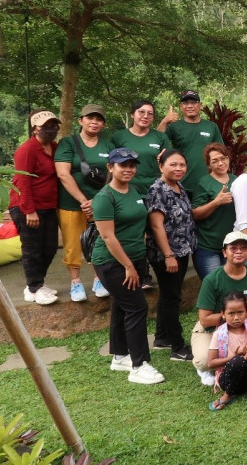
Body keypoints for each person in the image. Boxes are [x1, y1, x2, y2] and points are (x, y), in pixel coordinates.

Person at [91, 147, 163, 384]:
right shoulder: (104, 198)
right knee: (137, 308)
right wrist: (128, 267)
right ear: (110, 167)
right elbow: (108, 237)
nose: (129, 169)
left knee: (121, 306)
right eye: (123, 165)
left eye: (132, 165)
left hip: (136, 259)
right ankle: (139, 365)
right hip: (113, 263)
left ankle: (120, 356)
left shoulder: (134, 191)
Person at [191, 231, 247, 387]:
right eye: (233, 248)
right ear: (224, 252)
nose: (239, 252)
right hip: (212, 329)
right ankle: (206, 369)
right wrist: (240, 315)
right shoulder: (212, 279)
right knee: (205, 361)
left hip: (245, 327)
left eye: (243, 248)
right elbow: (204, 319)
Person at [54, 104, 111, 301]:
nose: (94, 122)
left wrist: (97, 200)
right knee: (73, 243)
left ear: (103, 124)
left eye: (99, 119)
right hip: (71, 203)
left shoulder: (107, 145)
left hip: (100, 202)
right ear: (81, 120)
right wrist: (84, 201)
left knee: (99, 240)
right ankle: (75, 282)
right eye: (90, 118)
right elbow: (63, 173)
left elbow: (113, 173)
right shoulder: (67, 143)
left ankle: (98, 278)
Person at [145, 149, 196, 362]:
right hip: (166, 254)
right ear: (161, 166)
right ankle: (177, 346)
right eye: (173, 164)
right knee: (172, 298)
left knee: (168, 294)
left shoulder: (178, 186)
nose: (178, 168)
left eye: (182, 165)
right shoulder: (158, 190)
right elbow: (156, 226)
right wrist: (168, 255)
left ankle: (161, 337)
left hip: (181, 251)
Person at [12, 110, 61, 306]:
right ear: (35, 128)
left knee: (49, 248)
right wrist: (29, 210)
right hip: (27, 207)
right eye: (46, 126)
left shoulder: (55, 148)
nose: (51, 129)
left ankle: (35, 284)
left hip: (48, 206)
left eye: (54, 125)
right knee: (32, 249)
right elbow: (22, 181)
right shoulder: (27, 150)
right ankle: (34, 287)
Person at [207, 291, 247, 410]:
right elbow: (211, 363)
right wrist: (233, 357)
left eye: (240, 312)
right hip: (228, 380)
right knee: (237, 361)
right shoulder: (219, 334)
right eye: (231, 313)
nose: (236, 318)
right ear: (223, 314)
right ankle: (228, 395)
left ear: (246, 312)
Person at [159, 90, 223, 190]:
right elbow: (156, 140)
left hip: (207, 184)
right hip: (181, 184)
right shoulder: (174, 126)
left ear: (200, 105)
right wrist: (164, 121)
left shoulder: (211, 126)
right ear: (181, 107)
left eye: (193, 102)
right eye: (185, 103)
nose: (189, 106)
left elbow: (221, 152)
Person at [191, 143, 236, 280]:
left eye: (223, 158)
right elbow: (195, 214)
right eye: (214, 161)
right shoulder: (204, 183)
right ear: (209, 165)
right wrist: (216, 202)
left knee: (232, 285)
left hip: (232, 245)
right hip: (208, 246)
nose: (220, 163)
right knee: (214, 285)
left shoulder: (236, 180)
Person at [111, 100, 171, 195]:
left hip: (155, 190)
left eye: (150, 114)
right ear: (132, 114)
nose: (146, 116)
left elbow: (169, 164)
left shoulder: (161, 137)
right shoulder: (118, 137)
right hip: (125, 190)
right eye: (141, 112)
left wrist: (164, 159)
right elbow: (111, 165)